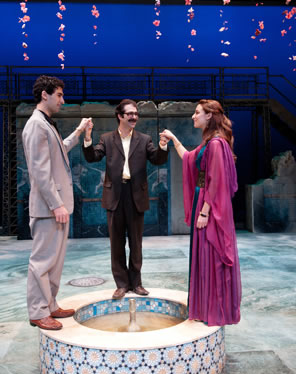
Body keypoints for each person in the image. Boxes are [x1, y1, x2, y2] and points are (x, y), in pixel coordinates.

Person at [160, 99, 241, 326]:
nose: (193, 116)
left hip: (209, 206)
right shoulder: (209, 143)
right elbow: (188, 158)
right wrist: (175, 139)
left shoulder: (216, 144)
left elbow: (217, 183)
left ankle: (214, 308)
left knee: (212, 255)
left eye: (197, 113)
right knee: (204, 254)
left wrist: (205, 213)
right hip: (203, 201)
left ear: (209, 116)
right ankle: (206, 306)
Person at [22, 75, 92, 330]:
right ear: (45, 94)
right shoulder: (36, 125)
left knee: (55, 260)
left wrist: (79, 131)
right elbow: (40, 170)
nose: (63, 100)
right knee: (42, 261)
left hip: (55, 207)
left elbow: (60, 149)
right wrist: (56, 204)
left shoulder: (45, 124)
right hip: (48, 208)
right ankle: (38, 311)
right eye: (60, 95)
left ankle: (50, 304)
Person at [82, 99, 169, 299]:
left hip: (136, 194)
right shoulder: (107, 138)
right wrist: (88, 138)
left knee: (136, 243)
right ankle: (121, 284)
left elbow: (156, 159)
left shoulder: (144, 139)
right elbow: (93, 157)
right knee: (117, 243)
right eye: (130, 114)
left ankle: (136, 283)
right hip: (115, 195)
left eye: (136, 114)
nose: (134, 117)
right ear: (120, 116)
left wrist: (163, 147)